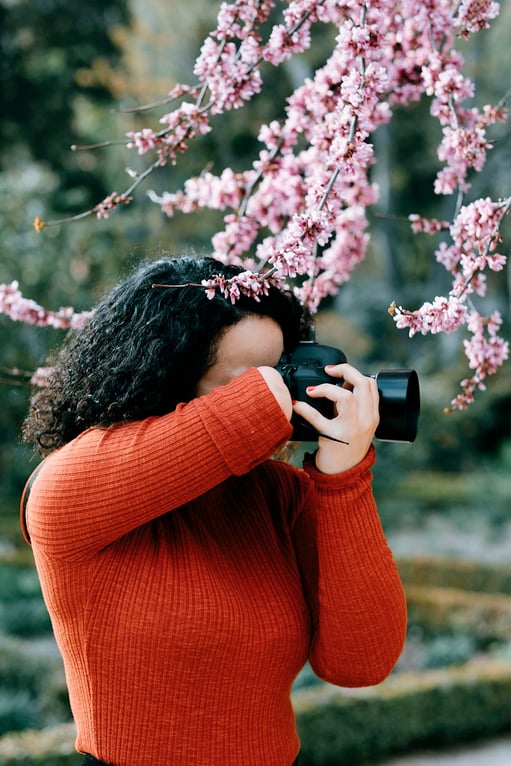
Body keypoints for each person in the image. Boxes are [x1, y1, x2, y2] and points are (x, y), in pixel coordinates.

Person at [21, 255, 407, 766]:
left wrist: (342, 478)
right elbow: (240, 416)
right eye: (248, 379)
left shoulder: (276, 493)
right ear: (163, 375)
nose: (283, 398)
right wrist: (272, 388)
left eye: (285, 370)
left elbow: (361, 663)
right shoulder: (69, 485)